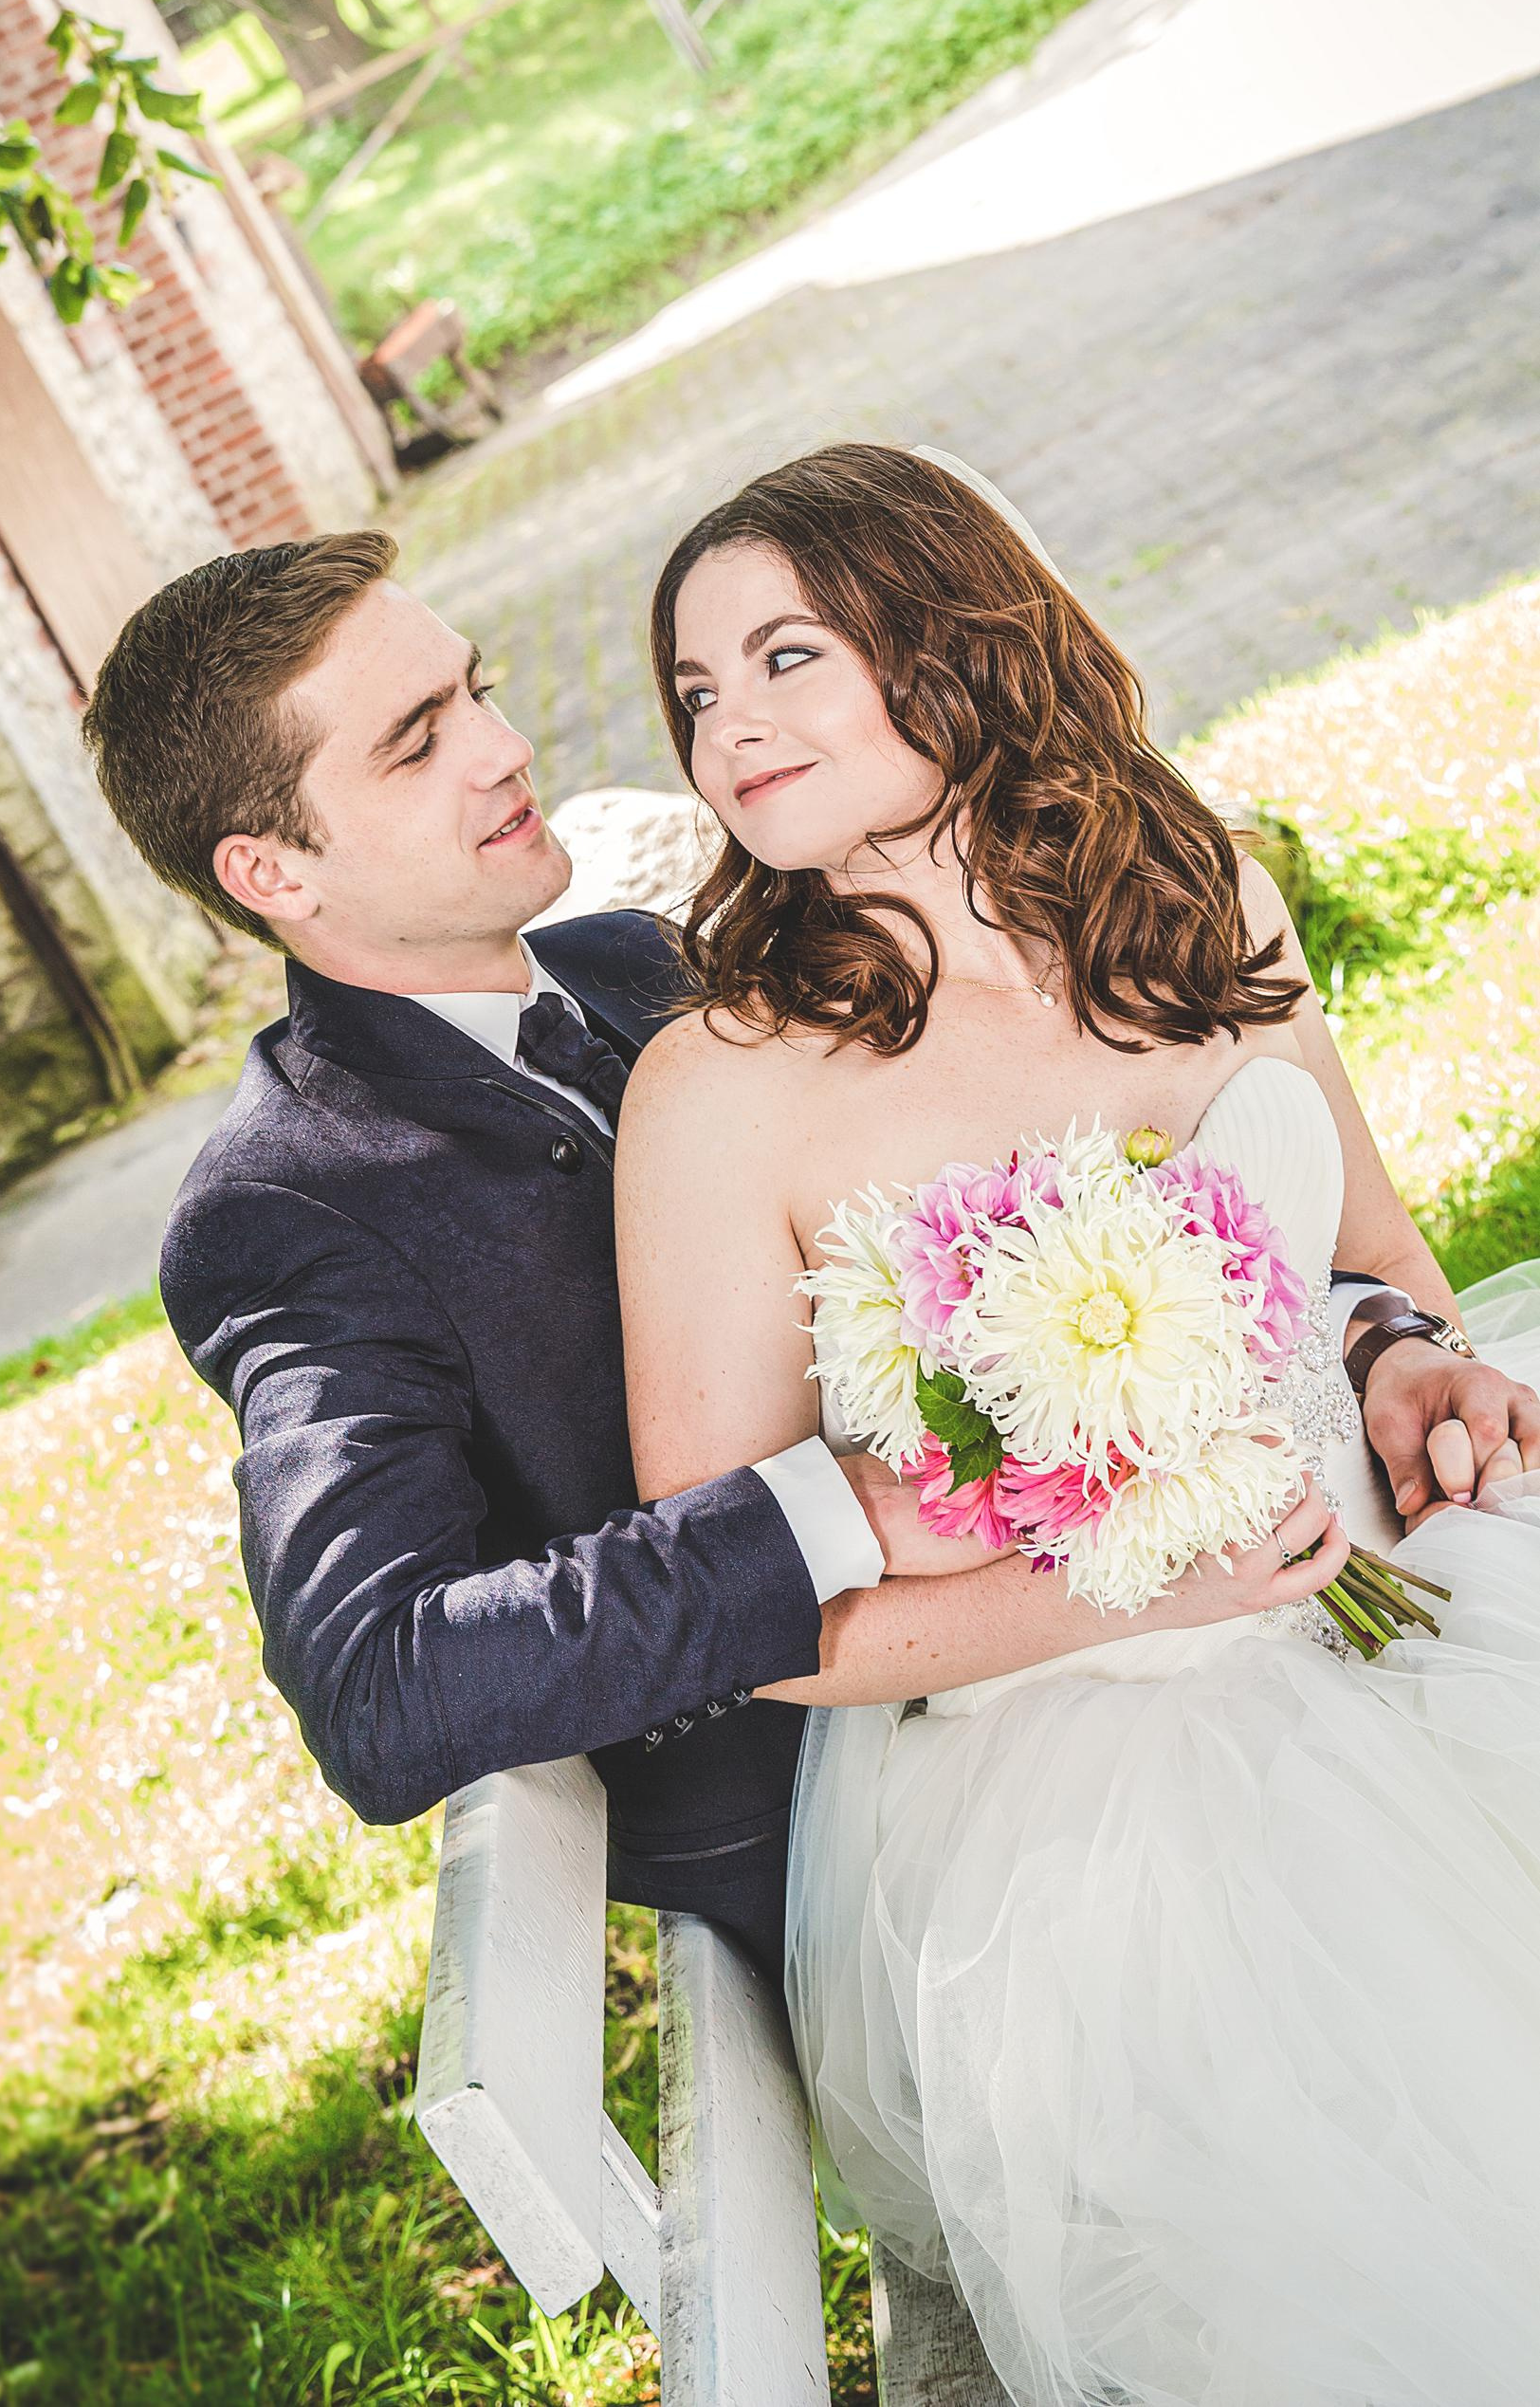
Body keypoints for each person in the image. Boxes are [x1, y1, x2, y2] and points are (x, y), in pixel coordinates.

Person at [79, 526, 1526, 1987]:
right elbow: (381, 1685)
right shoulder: (294, 1203)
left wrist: (1370, 1334)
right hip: (926, 1840)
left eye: (478, 691)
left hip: (1212, 1617)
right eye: (417, 742)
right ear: (270, 869)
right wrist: (836, 1512)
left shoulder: (641, 965)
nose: (506, 749)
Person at [618, 440, 1540, 2407]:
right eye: (694, 691)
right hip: (1074, 1752)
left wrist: (1405, 1365)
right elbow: (734, 1609)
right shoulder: (721, 1086)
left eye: (783, 656)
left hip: (1386, 1564)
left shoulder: (1186, 887)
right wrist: (1135, 1594)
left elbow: (1376, 1263)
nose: (727, 728)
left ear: (952, 635)